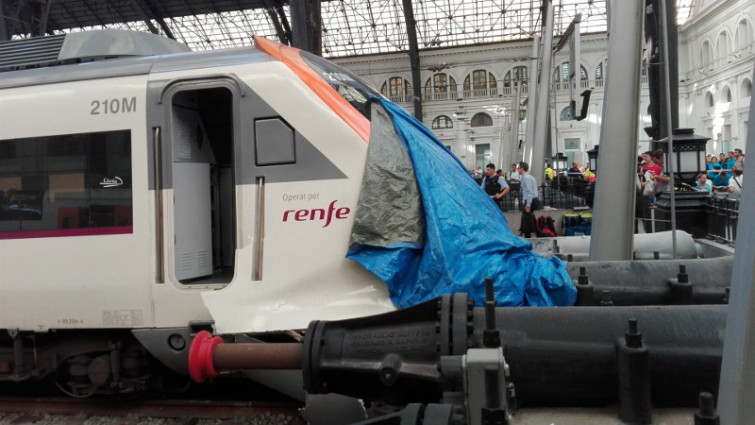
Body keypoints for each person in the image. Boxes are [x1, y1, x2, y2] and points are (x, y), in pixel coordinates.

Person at [517, 162, 539, 238]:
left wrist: (528, 205)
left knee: (526, 220)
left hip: (530, 200)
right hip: (532, 200)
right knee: (529, 218)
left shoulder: (526, 178)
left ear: (522, 168)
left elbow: (529, 191)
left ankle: (528, 237)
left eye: (518, 168)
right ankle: (534, 233)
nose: (517, 170)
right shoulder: (530, 177)